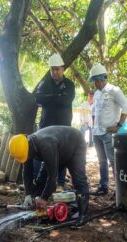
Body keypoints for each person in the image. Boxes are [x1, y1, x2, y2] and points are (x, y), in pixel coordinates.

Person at [8, 126, 89, 225]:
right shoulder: (26, 146)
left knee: (79, 180)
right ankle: (34, 204)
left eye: (27, 155)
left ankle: (83, 214)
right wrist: (29, 194)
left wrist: (44, 198)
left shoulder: (46, 145)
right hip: (59, 149)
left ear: (29, 147)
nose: (28, 158)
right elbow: (27, 172)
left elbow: (52, 176)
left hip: (75, 145)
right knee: (41, 180)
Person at [34, 53, 75, 191]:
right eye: (52, 69)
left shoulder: (69, 84)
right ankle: (41, 183)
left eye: (57, 69)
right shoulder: (44, 83)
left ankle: (60, 183)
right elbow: (38, 99)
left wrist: (50, 98)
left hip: (63, 126)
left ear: (63, 68)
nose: (55, 72)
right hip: (46, 126)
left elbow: (66, 100)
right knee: (43, 153)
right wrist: (57, 96)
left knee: (62, 153)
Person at [89, 63, 127, 196]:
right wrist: (94, 125)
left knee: (113, 161)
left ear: (101, 79)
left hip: (108, 133)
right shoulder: (96, 93)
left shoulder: (114, 90)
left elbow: (126, 107)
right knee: (102, 162)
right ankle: (103, 186)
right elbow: (94, 111)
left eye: (95, 81)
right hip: (97, 133)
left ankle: (120, 189)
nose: (94, 84)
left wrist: (118, 125)